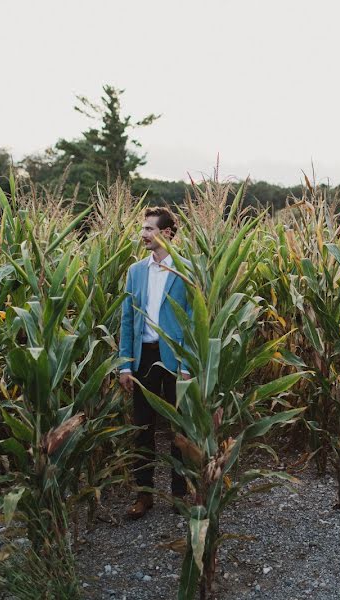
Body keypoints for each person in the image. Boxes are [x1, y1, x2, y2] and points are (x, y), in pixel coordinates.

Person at [118, 206, 192, 519]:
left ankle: (179, 495)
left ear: (167, 233)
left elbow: (191, 320)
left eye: (149, 229)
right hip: (144, 356)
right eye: (144, 228)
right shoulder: (136, 271)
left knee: (178, 428)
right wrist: (124, 363)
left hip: (174, 357)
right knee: (142, 429)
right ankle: (144, 496)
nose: (143, 234)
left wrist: (186, 363)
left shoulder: (186, 269)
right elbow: (126, 318)